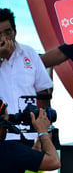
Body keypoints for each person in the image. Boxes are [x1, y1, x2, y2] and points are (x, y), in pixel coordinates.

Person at [0, 8, 53, 141]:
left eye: (8, 32)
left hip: (30, 133)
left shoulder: (29, 53)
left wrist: (46, 129)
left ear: (15, 31)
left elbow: (43, 92)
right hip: (3, 135)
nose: (4, 38)